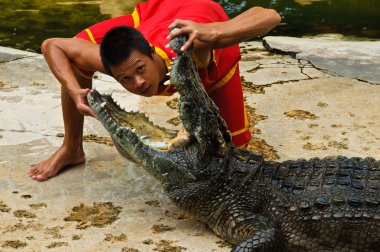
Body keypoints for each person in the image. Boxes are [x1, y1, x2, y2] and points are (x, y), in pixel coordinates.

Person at [28, 0, 281, 181]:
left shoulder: (195, 47)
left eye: (140, 70)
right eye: (125, 78)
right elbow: (52, 45)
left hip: (203, 29)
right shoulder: (118, 64)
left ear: (150, 52)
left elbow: (270, 15)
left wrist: (213, 32)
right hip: (160, 13)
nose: (137, 83)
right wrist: (74, 91)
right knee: (74, 59)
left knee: (234, 156)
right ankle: (72, 148)